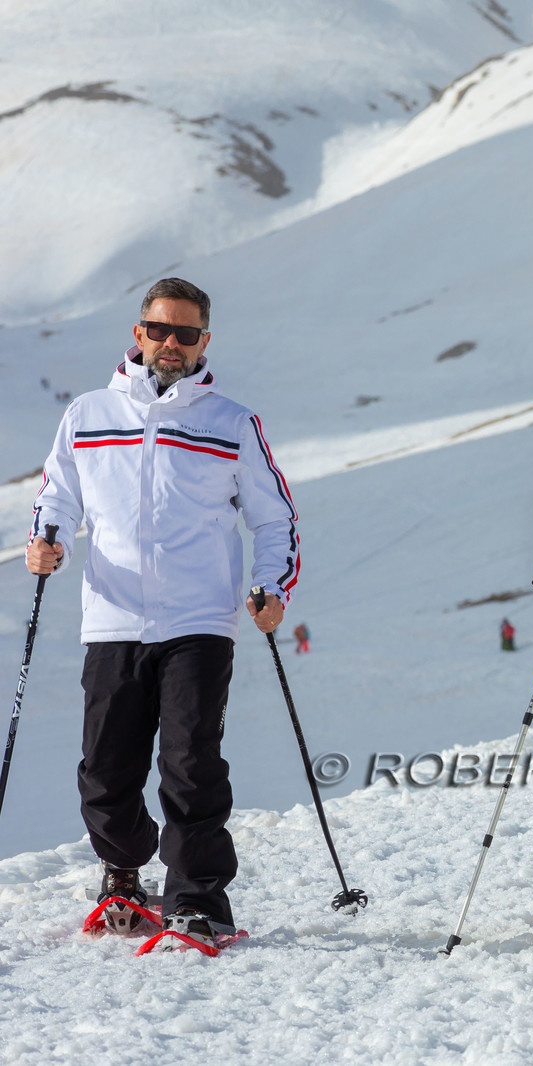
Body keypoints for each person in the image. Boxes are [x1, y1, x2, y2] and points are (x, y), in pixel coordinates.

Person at [27, 278, 299, 950]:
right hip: (113, 619)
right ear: (138, 331)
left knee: (190, 763)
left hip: (199, 619)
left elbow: (274, 518)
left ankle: (197, 900)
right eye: (160, 330)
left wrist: (272, 585)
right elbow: (56, 496)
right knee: (105, 770)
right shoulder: (88, 415)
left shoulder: (230, 422)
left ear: (206, 341)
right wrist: (46, 538)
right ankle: (123, 871)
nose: (171, 345)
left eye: (186, 334)